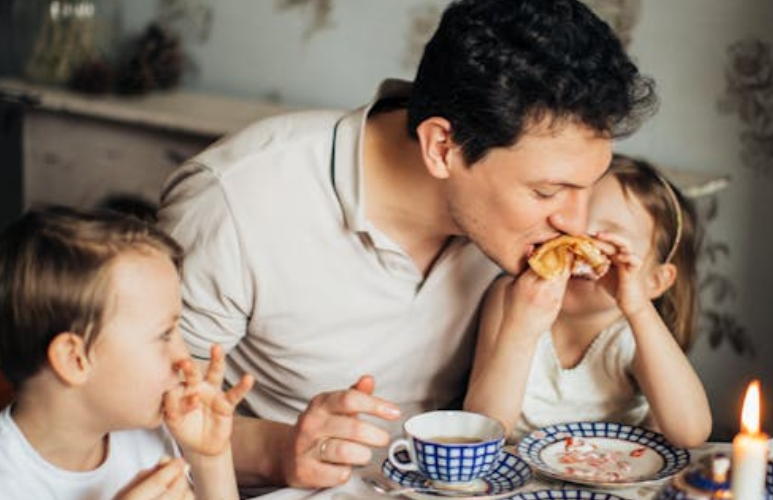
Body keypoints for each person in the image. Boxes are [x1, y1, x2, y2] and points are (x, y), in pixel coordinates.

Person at [157, 0, 657, 488]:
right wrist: (277, 449)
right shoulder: (236, 201)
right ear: (442, 146)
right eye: (546, 191)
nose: (574, 221)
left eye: (587, 185)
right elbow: (145, 417)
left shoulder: (525, 230)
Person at [0, 206, 254, 500]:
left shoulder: (145, 435)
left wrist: (209, 459)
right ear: (75, 359)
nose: (185, 360)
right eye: (164, 335)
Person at [464, 155, 712, 448]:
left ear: (654, 281)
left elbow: (691, 433)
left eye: (608, 239)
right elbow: (481, 431)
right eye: (571, 231)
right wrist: (521, 329)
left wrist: (639, 309)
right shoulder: (512, 300)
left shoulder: (633, 334)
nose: (582, 248)